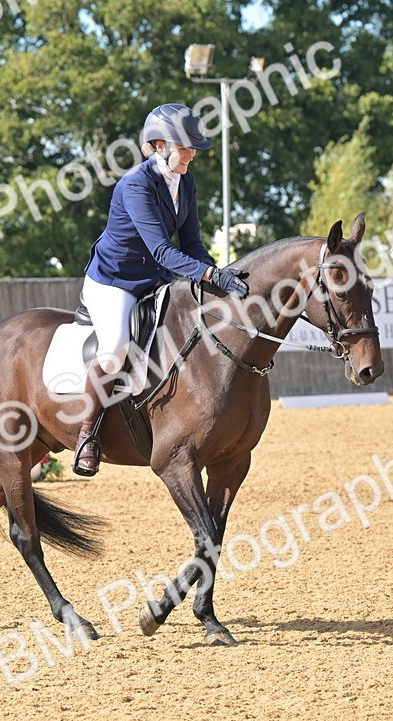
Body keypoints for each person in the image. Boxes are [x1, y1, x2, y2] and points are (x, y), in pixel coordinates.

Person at [72, 103, 249, 477]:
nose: (190, 155)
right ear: (156, 145)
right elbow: (161, 250)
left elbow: (191, 243)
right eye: (184, 148)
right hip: (114, 281)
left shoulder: (184, 181)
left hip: (154, 278)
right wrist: (210, 276)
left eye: (193, 149)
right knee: (117, 346)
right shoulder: (135, 184)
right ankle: (87, 434)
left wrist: (216, 274)